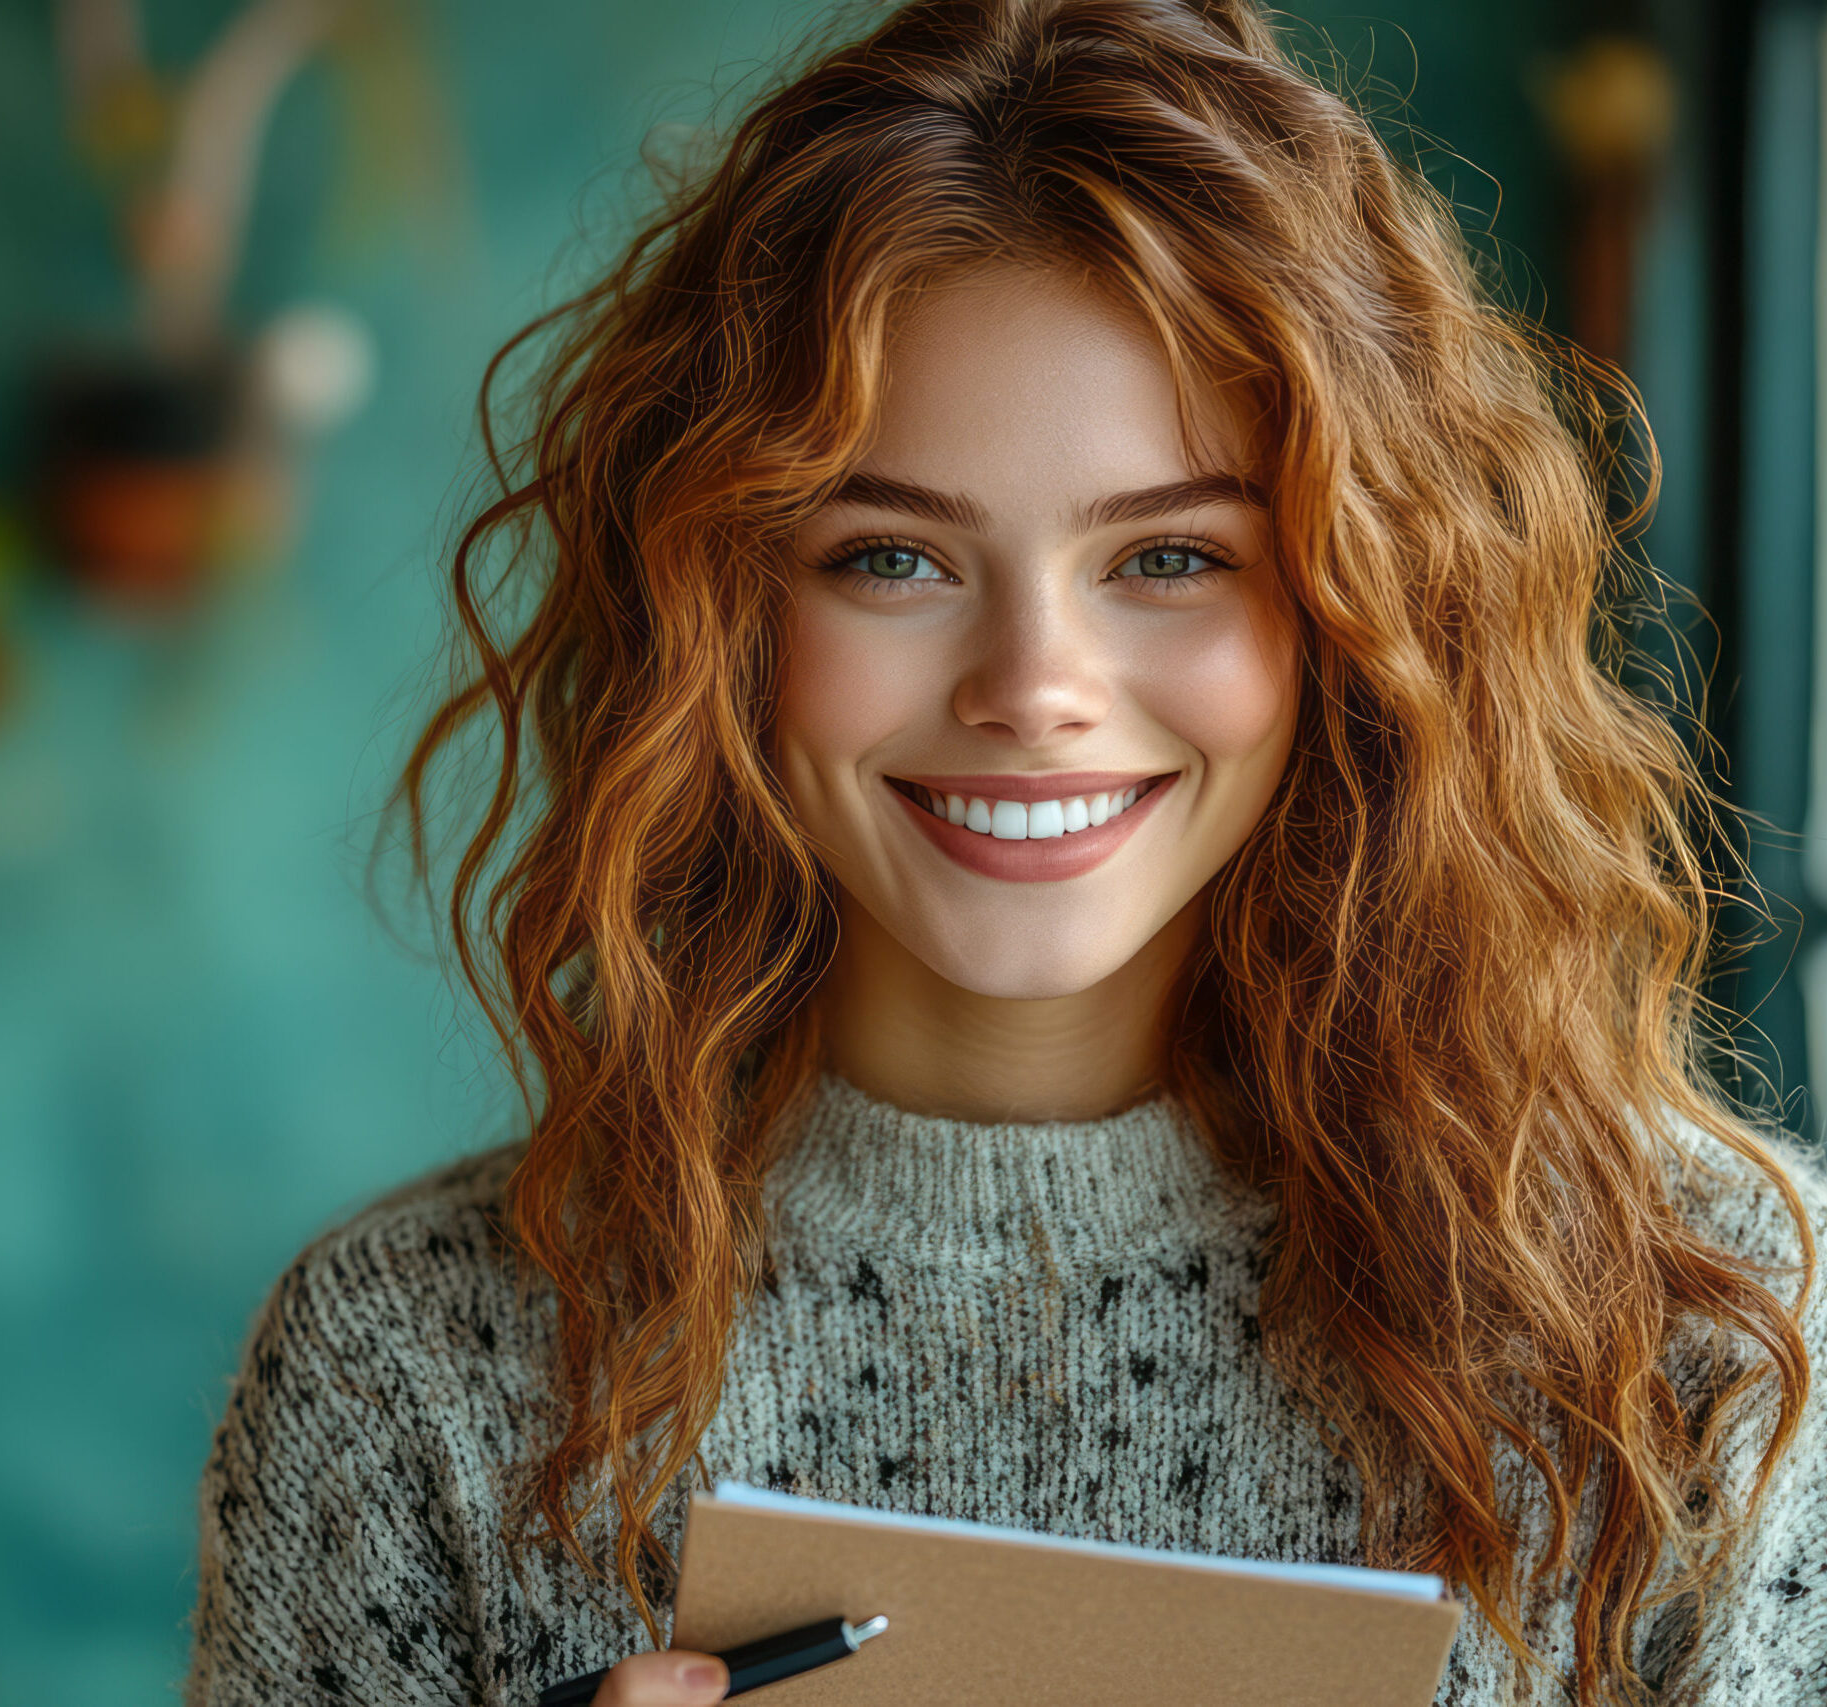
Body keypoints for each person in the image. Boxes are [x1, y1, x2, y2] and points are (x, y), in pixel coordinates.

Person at [181, 1, 1827, 1702]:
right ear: (714, 617)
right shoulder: (411, 1368)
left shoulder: (1706, 1333)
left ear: (1361, 610)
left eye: (1171, 556)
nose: (1031, 690)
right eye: (890, 558)